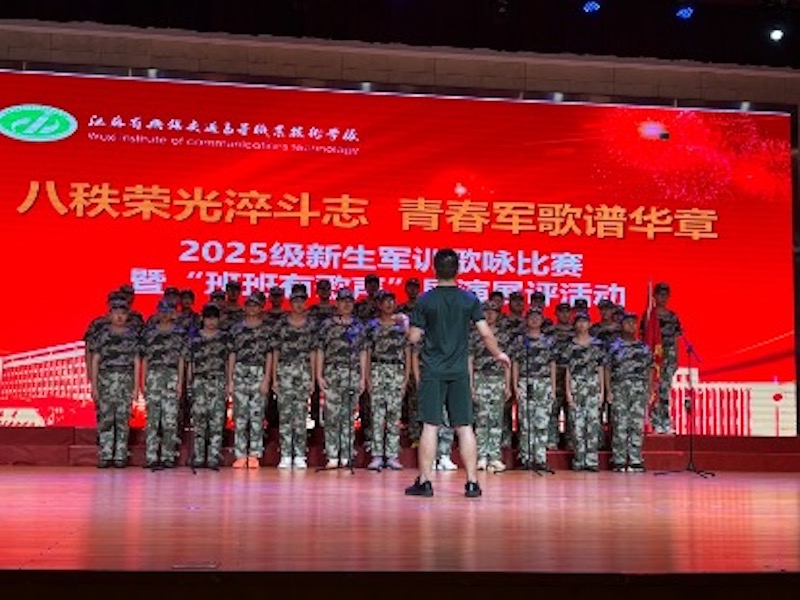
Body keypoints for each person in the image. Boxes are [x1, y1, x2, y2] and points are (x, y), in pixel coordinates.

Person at [405, 249, 510, 498]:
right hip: (459, 371)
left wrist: (405, 325)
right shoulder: (469, 300)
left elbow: (414, 337)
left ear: (434, 269)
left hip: (433, 370)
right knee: (464, 427)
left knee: (430, 426)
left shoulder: (425, 300)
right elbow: (485, 333)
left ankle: (425, 482)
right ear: (458, 270)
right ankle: (472, 483)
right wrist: (499, 354)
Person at [268, 284, 318, 469]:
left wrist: (313, 377)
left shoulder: (310, 325)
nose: (299, 304)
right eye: (295, 301)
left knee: (301, 414)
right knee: (285, 414)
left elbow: (313, 352)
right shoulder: (281, 324)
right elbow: (275, 351)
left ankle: (299, 453)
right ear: (290, 303)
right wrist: (274, 378)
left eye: (302, 301)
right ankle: (286, 454)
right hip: (285, 371)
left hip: (303, 371)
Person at [317, 288, 368, 468]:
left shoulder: (358, 326)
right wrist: (319, 374)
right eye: (343, 301)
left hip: (352, 373)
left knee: (348, 416)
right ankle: (332, 454)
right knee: (331, 415)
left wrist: (363, 377)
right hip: (332, 372)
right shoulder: (327, 325)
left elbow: (363, 352)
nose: (346, 304)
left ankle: (346, 454)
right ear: (336, 303)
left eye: (349, 301)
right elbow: (320, 350)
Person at [89, 297, 140, 468]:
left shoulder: (132, 335)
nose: (119, 317)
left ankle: (120, 455)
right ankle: (105, 454)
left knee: (123, 419)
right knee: (106, 418)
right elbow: (95, 360)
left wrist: (136, 387)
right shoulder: (102, 335)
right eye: (116, 313)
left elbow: (136, 361)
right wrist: (94, 385)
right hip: (106, 380)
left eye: (123, 313)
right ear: (109, 314)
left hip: (125, 380)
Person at [365, 291, 410, 471]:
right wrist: (367, 376)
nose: (389, 304)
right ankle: (377, 455)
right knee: (377, 414)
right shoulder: (372, 326)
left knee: (394, 414)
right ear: (379, 305)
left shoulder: (401, 326)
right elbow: (367, 352)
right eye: (385, 301)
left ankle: (392, 455)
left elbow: (408, 351)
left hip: (396, 370)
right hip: (377, 368)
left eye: (392, 301)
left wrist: (406, 377)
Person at [140, 299, 188, 469]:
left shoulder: (180, 333)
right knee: (152, 419)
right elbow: (145, 359)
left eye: (168, 311)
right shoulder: (150, 333)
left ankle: (168, 456)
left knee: (170, 419)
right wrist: (143, 381)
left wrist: (180, 382)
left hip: (172, 376)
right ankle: (151, 456)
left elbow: (182, 359)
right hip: (153, 376)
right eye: (162, 311)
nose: (165, 314)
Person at [227, 293, 271, 468]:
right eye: (249, 305)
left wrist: (267, 378)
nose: (252, 308)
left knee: (257, 415)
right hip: (240, 370)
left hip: (258, 371)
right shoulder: (236, 329)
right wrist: (231, 379)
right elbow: (232, 354)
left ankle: (254, 454)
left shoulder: (266, 329)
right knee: (240, 415)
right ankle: (240, 454)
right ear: (244, 307)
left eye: (256, 305)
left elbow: (270, 355)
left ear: (261, 308)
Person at [607, 313, 654, 473]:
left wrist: (650, 389)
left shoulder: (644, 348)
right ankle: (619, 459)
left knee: (636, 424)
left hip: (639, 388)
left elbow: (650, 369)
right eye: (627, 322)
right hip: (619, 388)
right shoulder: (614, 346)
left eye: (634, 323)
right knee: (619, 424)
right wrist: (609, 390)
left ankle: (635, 459)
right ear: (621, 325)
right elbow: (607, 369)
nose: (631, 325)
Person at [469, 302, 512, 473]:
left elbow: (507, 362)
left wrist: (507, 384)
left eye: (493, 311)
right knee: (481, 418)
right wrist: (471, 384)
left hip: (498, 379)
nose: (489, 314)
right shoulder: (475, 335)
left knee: (496, 419)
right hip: (480, 377)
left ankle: (494, 456)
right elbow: (470, 360)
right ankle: (480, 456)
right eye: (486, 311)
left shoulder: (504, 336)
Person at [513, 308, 558, 471]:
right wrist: (515, 385)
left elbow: (552, 364)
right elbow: (515, 363)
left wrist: (552, 387)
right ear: (526, 320)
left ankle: (540, 458)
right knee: (526, 421)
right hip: (525, 381)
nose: (534, 320)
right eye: (531, 317)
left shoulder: (549, 341)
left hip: (544, 382)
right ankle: (526, 458)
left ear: (542, 320)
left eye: (537, 317)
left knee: (542, 421)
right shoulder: (520, 341)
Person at [561, 312, 606, 472]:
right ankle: (579, 460)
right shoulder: (570, 346)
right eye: (579, 322)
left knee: (593, 423)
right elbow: (567, 370)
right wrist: (568, 392)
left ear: (590, 324)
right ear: (574, 325)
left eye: (585, 321)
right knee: (577, 424)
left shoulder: (598, 344)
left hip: (593, 384)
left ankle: (591, 460)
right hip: (576, 384)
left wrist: (602, 391)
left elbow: (601, 368)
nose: (581, 324)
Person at [188, 304, 231, 470]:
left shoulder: (224, 338)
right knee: (199, 420)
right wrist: (190, 382)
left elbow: (228, 361)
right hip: (199, 381)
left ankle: (214, 456)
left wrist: (229, 382)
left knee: (217, 420)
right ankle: (199, 456)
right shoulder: (195, 338)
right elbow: (190, 362)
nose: (211, 322)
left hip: (218, 380)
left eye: (214, 318)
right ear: (202, 319)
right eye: (208, 318)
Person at [641, 282, 683, 434]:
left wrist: (676, 358)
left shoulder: (673, 317)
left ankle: (665, 421)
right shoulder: (649, 315)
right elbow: (644, 338)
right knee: (654, 390)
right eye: (659, 294)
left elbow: (676, 339)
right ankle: (655, 422)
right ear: (654, 296)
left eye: (665, 295)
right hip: (654, 358)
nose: (662, 298)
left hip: (668, 357)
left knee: (665, 390)